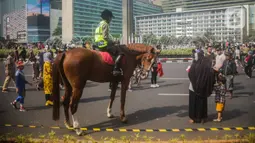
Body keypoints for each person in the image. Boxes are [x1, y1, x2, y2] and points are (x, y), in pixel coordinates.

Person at [188, 51, 215, 124]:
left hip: (193, 87)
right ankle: (203, 117)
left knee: (194, 103)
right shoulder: (207, 64)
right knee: (202, 103)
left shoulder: (194, 64)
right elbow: (211, 74)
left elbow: (190, 74)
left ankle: (194, 118)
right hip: (203, 87)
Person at [94, 9, 122, 76]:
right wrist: (114, 41)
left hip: (97, 43)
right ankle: (116, 69)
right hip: (103, 44)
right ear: (108, 17)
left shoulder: (100, 23)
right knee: (120, 52)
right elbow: (105, 37)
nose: (111, 19)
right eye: (111, 17)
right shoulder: (105, 24)